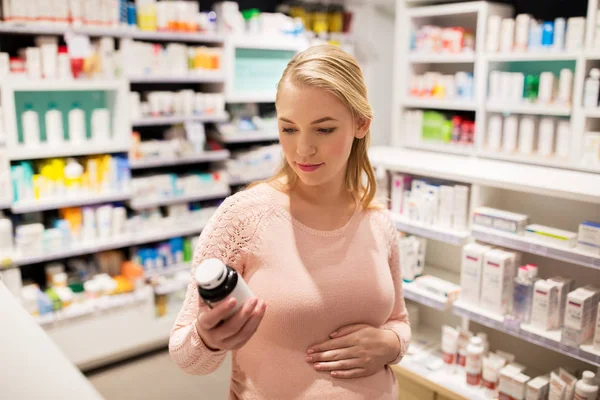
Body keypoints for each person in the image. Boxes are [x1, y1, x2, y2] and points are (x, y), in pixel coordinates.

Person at [169, 44, 411, 399]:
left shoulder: (377, 221)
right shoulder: (243, 217)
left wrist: (391, 345)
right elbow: (187, 357)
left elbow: (398, 321)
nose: (303, 149)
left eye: (323, 130)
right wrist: (207, 339)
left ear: (361, 124)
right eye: (289, 129)